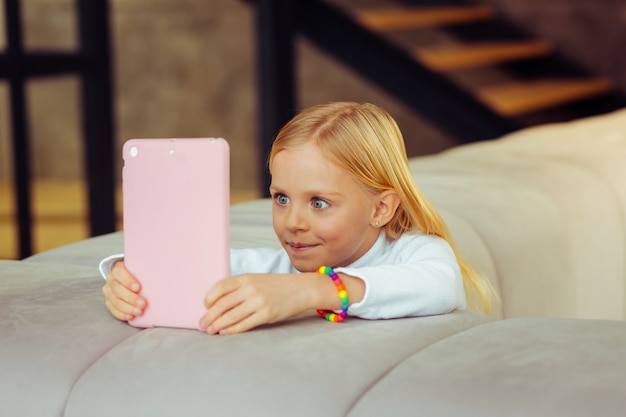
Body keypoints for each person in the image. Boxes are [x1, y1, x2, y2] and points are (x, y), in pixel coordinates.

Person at [101, 101, 499, 335]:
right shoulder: (275, 267)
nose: (293, 222)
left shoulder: (415, 253)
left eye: (319, 203)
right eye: (281, 198)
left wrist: (309, 291)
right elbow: (188, 265)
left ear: (381, 208)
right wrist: (127, 275)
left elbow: (440, 286)